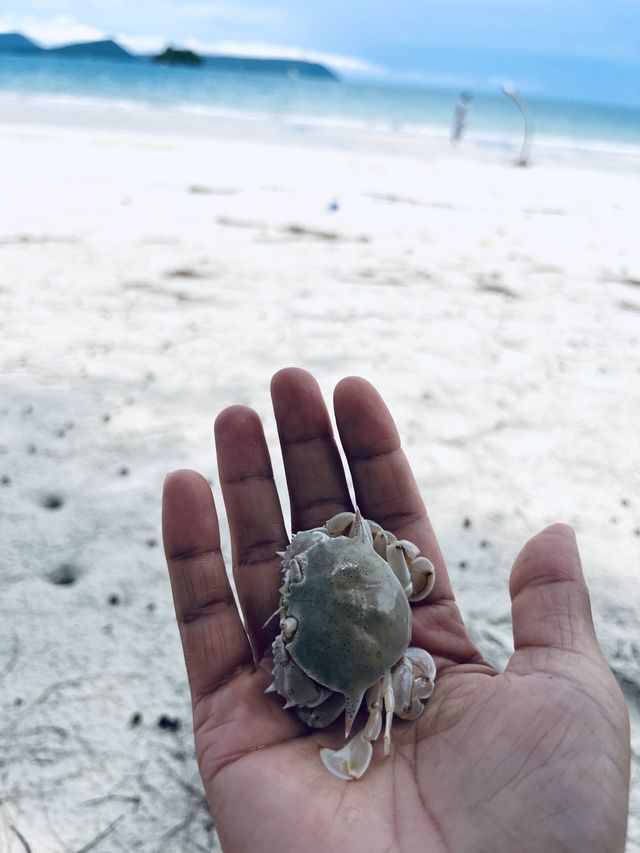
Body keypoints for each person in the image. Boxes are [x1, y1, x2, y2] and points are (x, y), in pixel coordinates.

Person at [162, 367, 630, 852]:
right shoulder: (356, 549)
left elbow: (318, 710)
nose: (282, 619)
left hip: (386, 668)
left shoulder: (385, 663)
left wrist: (297, 641)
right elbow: (348, 541)